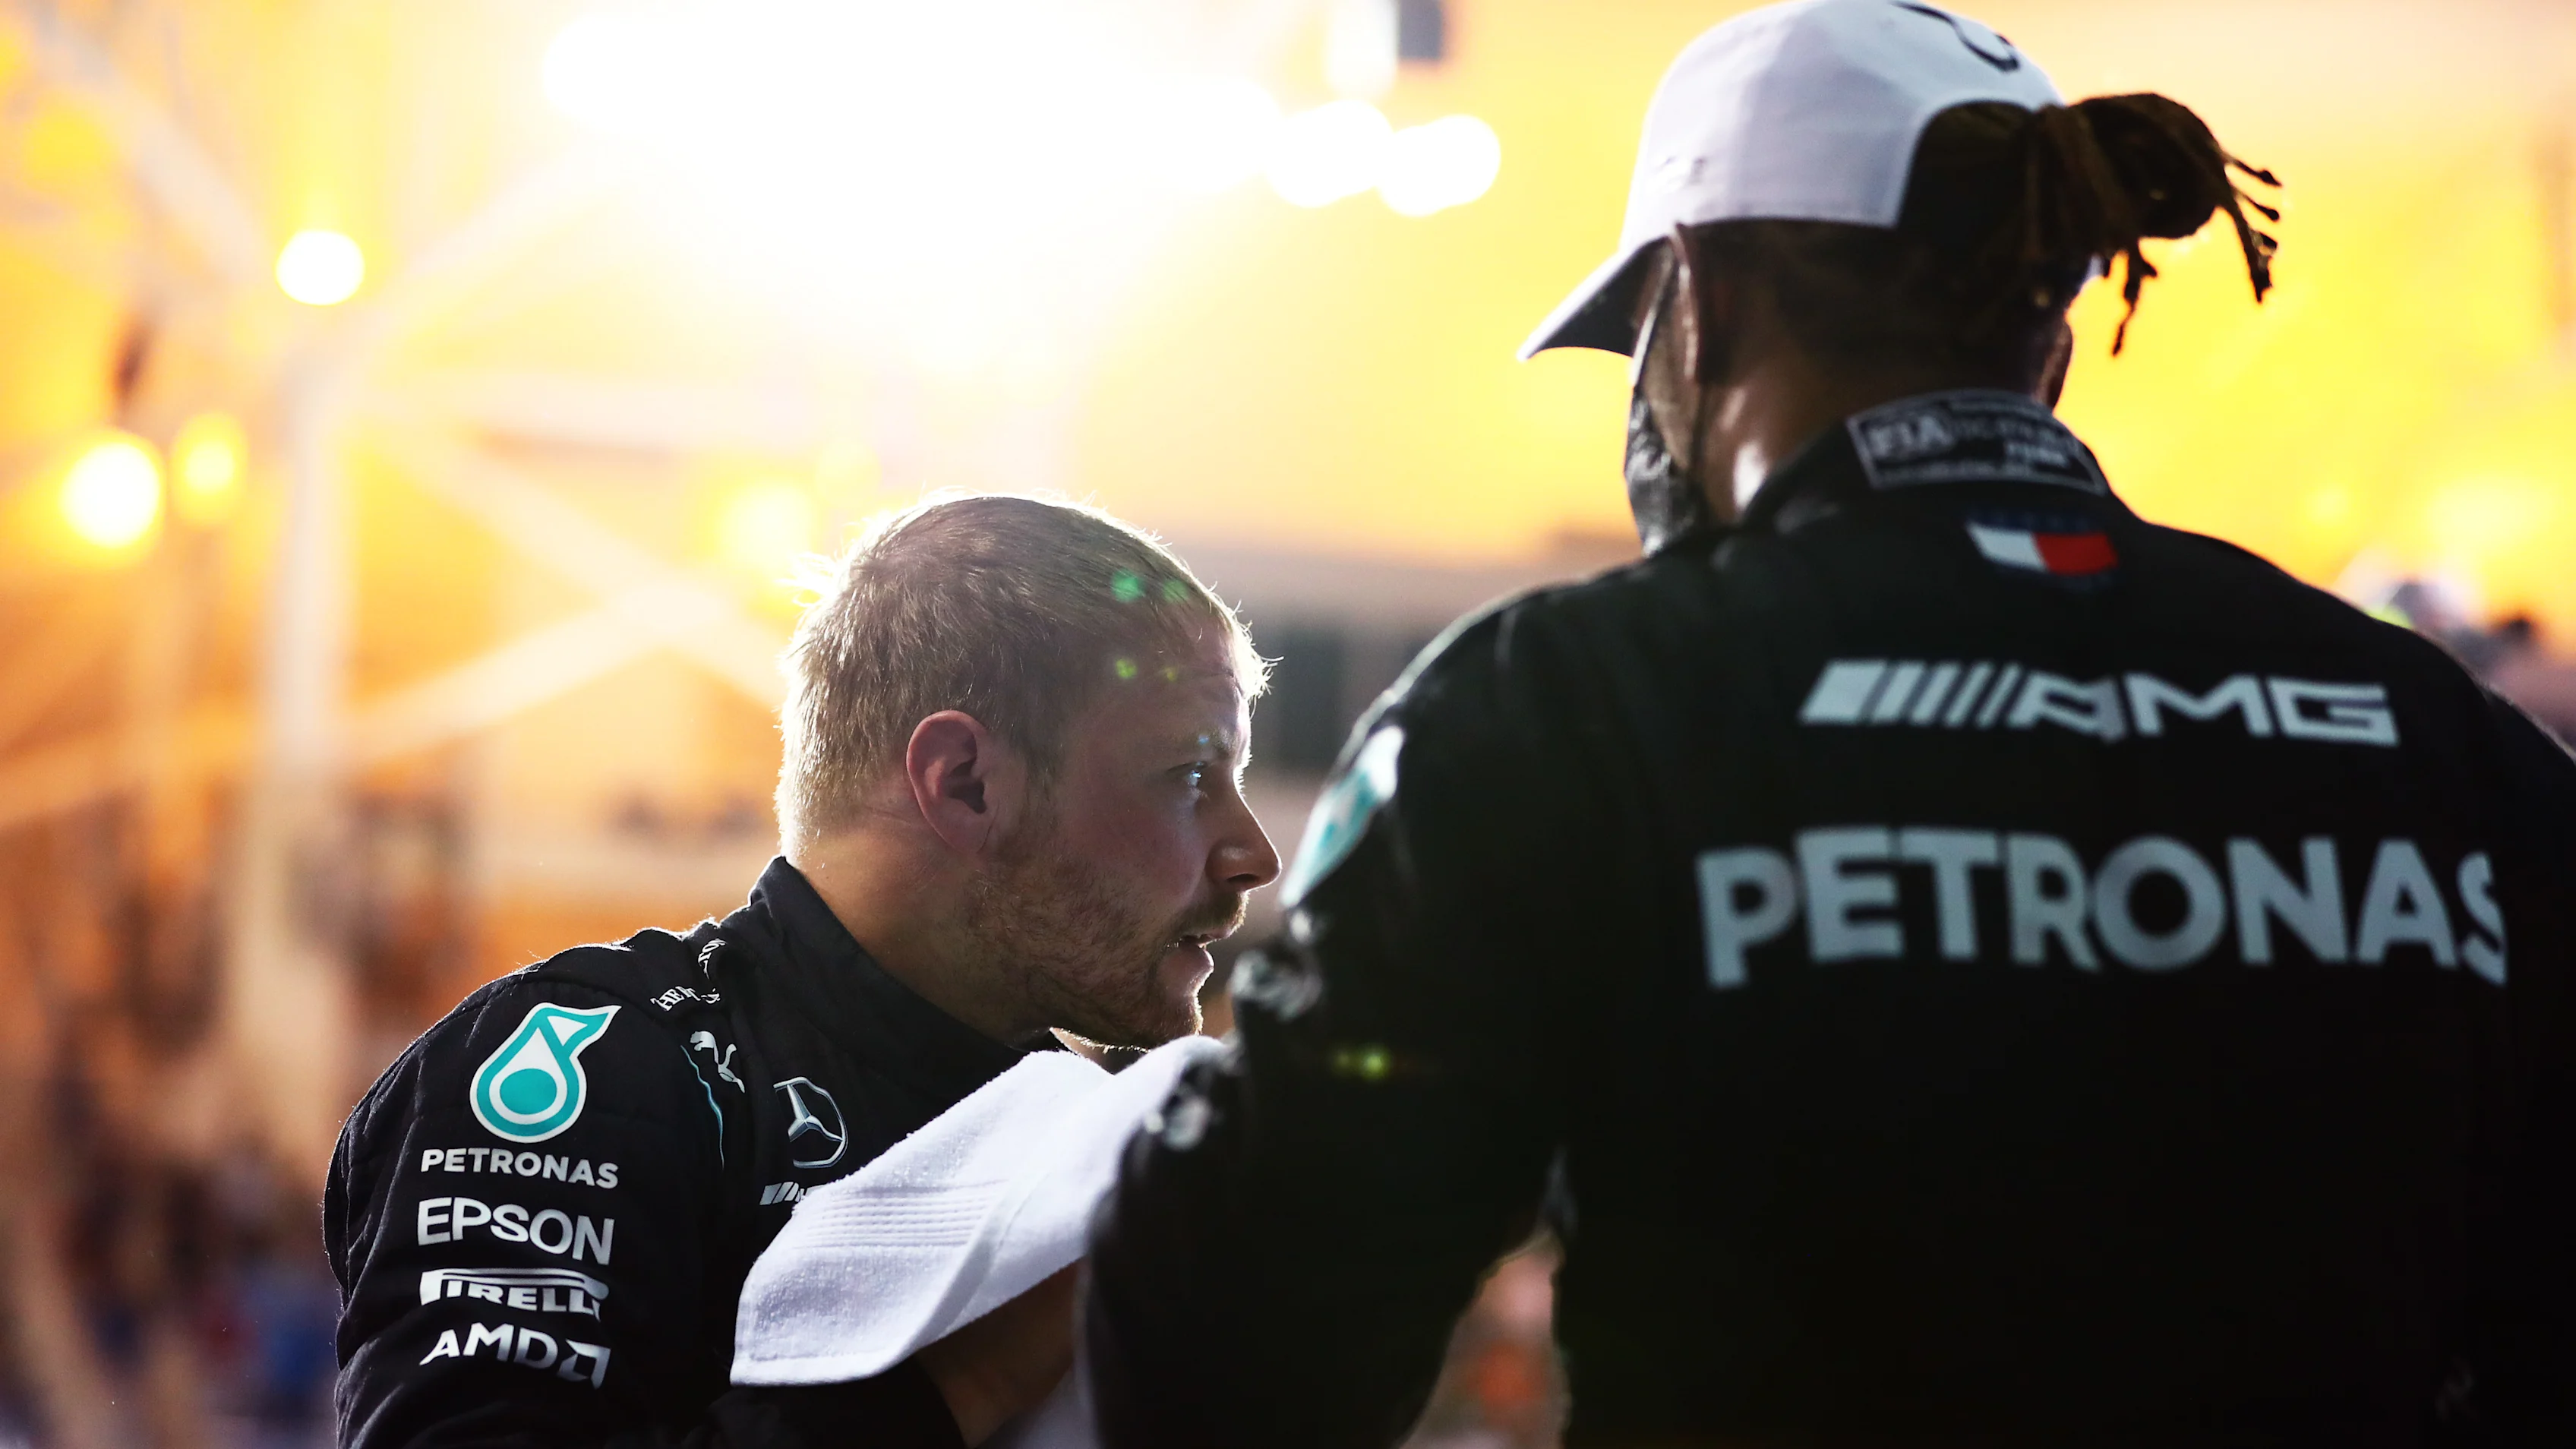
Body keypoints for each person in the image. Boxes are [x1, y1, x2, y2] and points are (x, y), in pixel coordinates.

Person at [1084, 2, 2576, 1444]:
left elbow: (1252, 1339)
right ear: (2049, 348)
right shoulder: (2439, 733)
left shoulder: (1571, 706)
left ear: (1696, 303)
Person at [327, 494, 1280, 1448]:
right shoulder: (595, 1068)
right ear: (965, 783)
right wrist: (974, 1370)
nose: (1253, 854)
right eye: (1191, 778)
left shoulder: (1106, 1129)